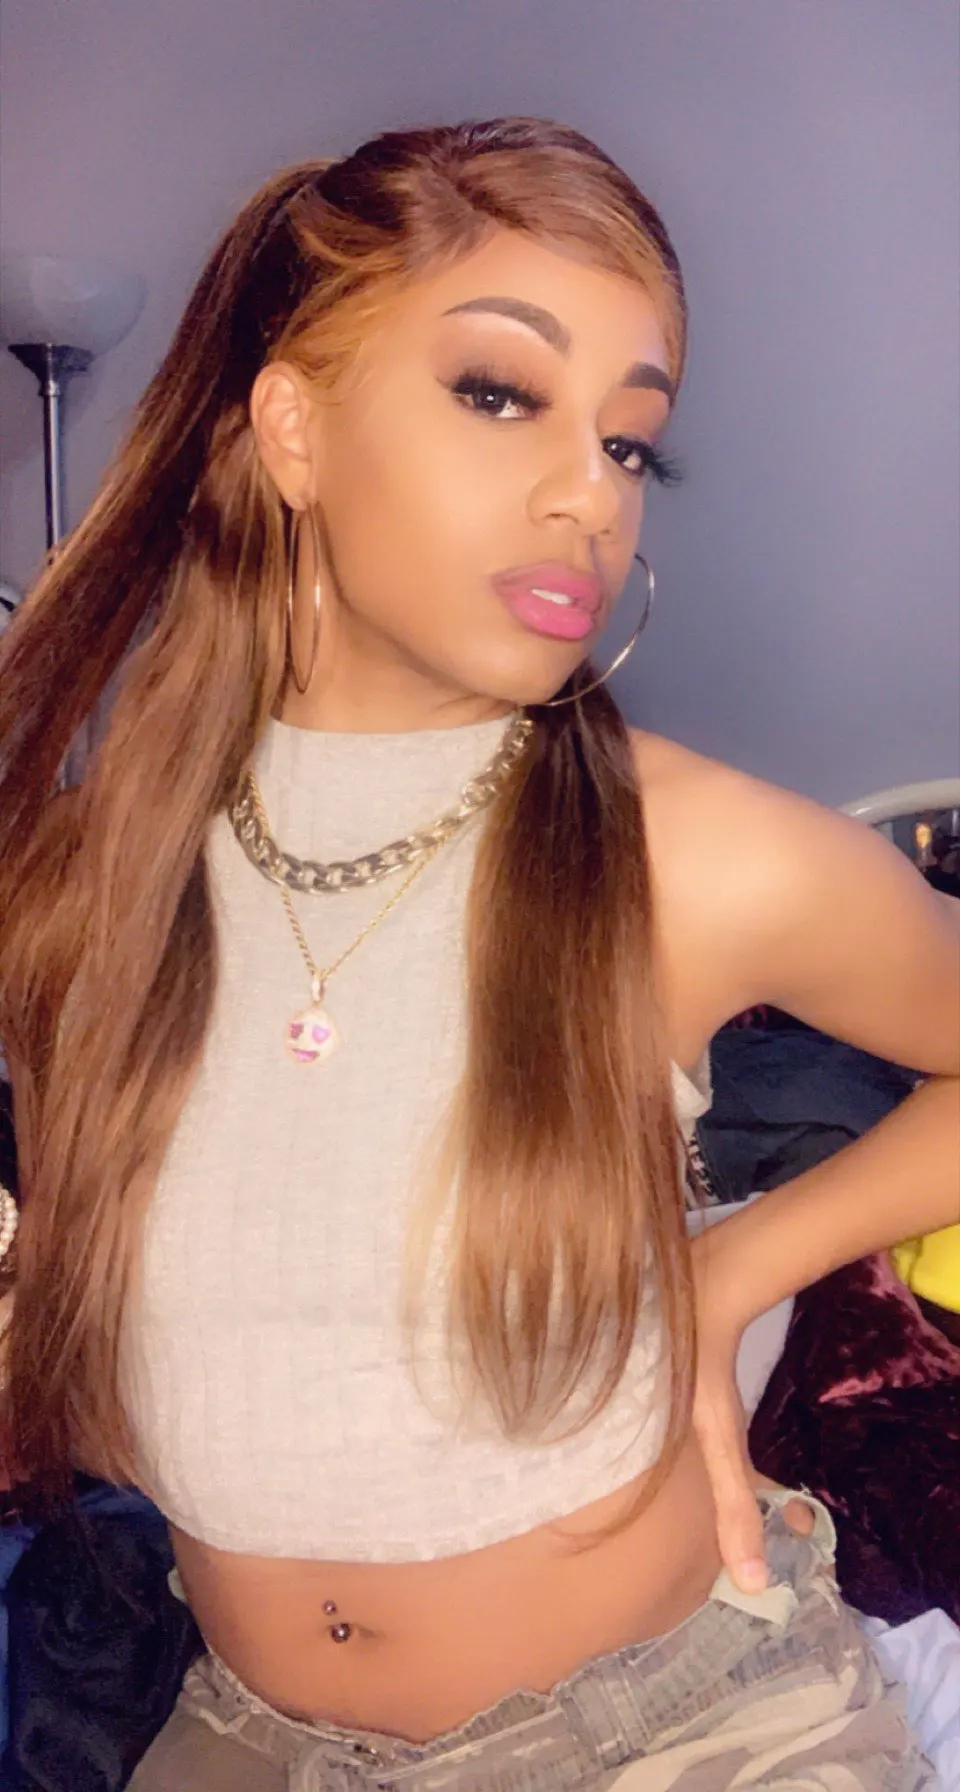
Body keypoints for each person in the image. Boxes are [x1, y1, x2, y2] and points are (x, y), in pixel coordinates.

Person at [0, 117, 954, 1789]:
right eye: (502, 394)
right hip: (249, 1735)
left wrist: (737, 1267)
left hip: (680, 1734)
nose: (592, 493)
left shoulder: (694, 856)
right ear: (292, 427)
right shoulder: (90, 884)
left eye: (631, 441)